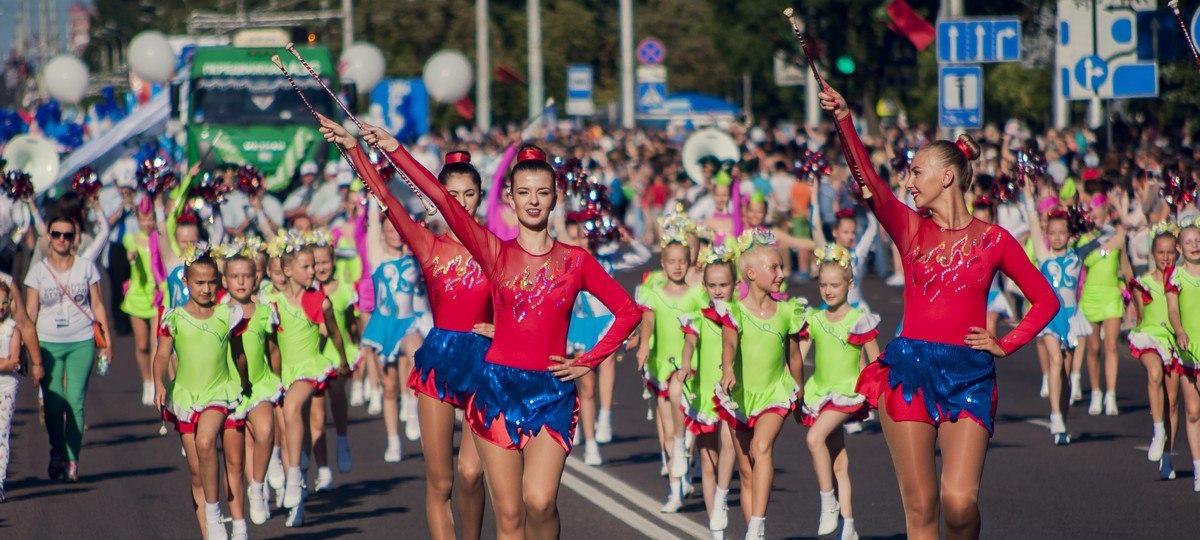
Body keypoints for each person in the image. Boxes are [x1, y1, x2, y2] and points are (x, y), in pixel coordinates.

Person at [368, 131, 640, 540]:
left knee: (540, 501)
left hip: (551, 391)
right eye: (524, 192)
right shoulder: (494, 252)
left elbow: (629, 311)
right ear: (510, 198)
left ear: (555, 198)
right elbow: (442, 199)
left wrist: (588, 361)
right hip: (496, 391)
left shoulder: (576, 261)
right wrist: (393, 149)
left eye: (543, 192)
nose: (533, 201)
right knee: (510, 518)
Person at [822, 87, 1056, 539]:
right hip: (910, 371)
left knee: (960, 503)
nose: (908, 182)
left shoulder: (994, 239)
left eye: (916, 172)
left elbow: (1046, 300)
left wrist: (1006, 343)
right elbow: (867, 178)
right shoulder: (909, 228)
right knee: (922, 507)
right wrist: (844, 118)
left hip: (969, 374)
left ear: (947, 176)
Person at [328, 117, 493, 540]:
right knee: (440, 482)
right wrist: (353, 148)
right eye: (451, 195)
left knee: (472, 473)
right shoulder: (426, 243)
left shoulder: (495, 248)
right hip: (439, 359)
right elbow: (384, 195)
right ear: (437, 198)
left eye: (469, 194)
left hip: (484, 362)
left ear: (481, 197)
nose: (461, 203)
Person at [714, 230, 806, 540]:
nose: (781, 273)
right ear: (751, 273)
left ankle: (757, 525)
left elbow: (794, 357)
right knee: (746, 471)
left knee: (761, 447)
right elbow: (729, 345)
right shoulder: (735, 311)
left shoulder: (787, 312)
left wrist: (799, 394)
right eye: (774, 267)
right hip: (740, 396)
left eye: (781, 267)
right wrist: (728, 368)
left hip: (775, 392)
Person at [153, 255, 251, 540]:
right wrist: (159, 383)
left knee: (206, 441)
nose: (206, 289)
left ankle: (214, 512)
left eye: (212, 282)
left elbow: (239, 354)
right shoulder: (174, 317)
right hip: (185, 395)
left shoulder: (227, 314)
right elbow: (162, 355)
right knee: (197, 472)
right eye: (199, 283)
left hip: (219, 391)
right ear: (186, 281)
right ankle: (209, 532)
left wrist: (244, 381)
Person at [799, 245, 880, 540]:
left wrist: (879, 396)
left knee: (814, 438)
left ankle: (827, 502)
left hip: (846, 392)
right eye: (823, 285)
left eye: (835, 285)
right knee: (838, 462)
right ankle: (849, 526)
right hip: (820, 392)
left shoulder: (857, 318)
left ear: (850, 284)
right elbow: (798, 357)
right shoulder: (815, 319)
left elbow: (876, 361)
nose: (828, 291)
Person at [25, 216, 113, 482]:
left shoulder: (86, 267)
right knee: (53, 405)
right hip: (47, 343)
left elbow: (97, 305)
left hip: (81, 340)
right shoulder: (38, 272)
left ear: (75, 238)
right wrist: (28, 350)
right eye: (56, 234)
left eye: (68, 235)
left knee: (75, 401)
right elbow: (30, 313)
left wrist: (106, 343)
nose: (62, 239)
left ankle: (72, 458)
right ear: (49, 237)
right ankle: (58, 450)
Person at [268, 237, 349, 527]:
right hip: (284, 373)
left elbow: (335, 333)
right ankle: (298, 501)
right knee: (288, 431)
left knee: (292, 409)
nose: (313, 271)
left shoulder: (318, 300)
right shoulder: (273, 302)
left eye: (314, 265)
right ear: (288, 270)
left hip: (309, 366)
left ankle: (292, 477)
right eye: (306, 267)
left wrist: (342, 360)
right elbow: (272, 346)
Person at [635, 232, 707, 510]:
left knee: (685, 424)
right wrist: (643, 347)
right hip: (662, 365)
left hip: (691, 366)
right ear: (663, 264)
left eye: (682, 261)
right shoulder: (653, 294)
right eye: (672, 261)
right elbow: (648, 323)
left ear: (689, 263)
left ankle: (685, 458)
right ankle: (676, 490)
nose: (677, 266)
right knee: (668, 431)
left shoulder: (697, 295)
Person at [677, 245, 738, 539]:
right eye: (712, 285)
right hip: (705, 394)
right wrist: (686, 365)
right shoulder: (698, 317)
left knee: (729, 445)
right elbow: (689, 344)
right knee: (707, 460)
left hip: (732, 393)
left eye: (723, 285)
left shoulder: (740, 314)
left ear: (735, 284)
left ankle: (723, 497)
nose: (718, 291)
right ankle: (716, 526)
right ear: (705, 286)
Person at [222, 249, 285, 525]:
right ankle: (247, 492)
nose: (241, 282)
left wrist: (278, 379)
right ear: (224, 280)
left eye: (247, 276)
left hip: (259, 384)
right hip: (229, 390)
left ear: (256, 278)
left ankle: (257, 487)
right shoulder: (219, 313)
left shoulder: (264, 312)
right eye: (235, 276)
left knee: (266, 430)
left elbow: (273, 349)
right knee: (236, 454)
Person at [1128, 228, 1181, 478]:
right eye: (1161, 252)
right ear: (1153, 253)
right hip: (1149, 337)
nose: (1165, 257)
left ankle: (1167, 457)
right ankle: (1158, 430)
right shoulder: (1143, 283)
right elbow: (1139, 316)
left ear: (1177, 253)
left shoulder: (1180, 281)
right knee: (1154, 371)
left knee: (1173, 401)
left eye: (1170, 252)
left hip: (1174, 342)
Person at [1077, 193, 1131, 416]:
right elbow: (1087, 260)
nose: (1094, 216)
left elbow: (1125, 267)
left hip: (1111, 295)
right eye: (1091, 212)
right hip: (1091, 296)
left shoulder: (1117, 236)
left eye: (1097, 212)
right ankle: (1096, 392)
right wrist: (1107, 247)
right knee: (1093, 348)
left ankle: (1111, 394)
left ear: (1106, 213)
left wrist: (1132, 297)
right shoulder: (1085, 240)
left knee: (1111, 346)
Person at [311, 237, 358, 482]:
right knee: (317, 416)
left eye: (325, 262)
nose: (321, 268)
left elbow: (351, 322)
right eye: (315, 263)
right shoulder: (307, 293)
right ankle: (323, 470)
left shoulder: (344, 289)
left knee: (338, 394)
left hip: (340, 352)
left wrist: (355, 345)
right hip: (315, 356)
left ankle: (342, 439)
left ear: (333, 261)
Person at [1167, 224, 1200, 492]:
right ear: (1179, 248)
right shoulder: (1176, 277)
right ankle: (1198, 467)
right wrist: (1179, 331)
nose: (1194, 245)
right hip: (1188, 350)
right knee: (1193, 411)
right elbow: (1173, 311)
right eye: (1188, 242)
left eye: (1197, 240)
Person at [122, 196, 161, 407]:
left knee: (156, 341)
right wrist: (132, 255)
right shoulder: (132, 238)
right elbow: (131, 250)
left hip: (157, 295)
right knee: (142, 344)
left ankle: (155, 382)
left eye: (151, 219)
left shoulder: (160, 238)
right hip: (137, 296)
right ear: (137, 220)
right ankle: (146, 380)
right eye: (143, 219)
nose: (147, 223)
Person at [0, 282, 23, 503]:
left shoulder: (12, 327)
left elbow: (14, 361)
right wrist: (4, 362)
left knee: (1, 433)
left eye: (4, 302)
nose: (0, 306)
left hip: (6, 386)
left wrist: (8, 363)